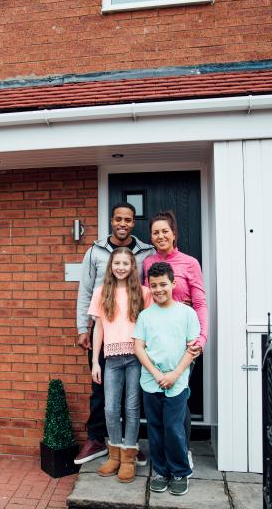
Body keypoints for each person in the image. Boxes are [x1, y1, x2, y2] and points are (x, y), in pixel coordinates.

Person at [74, 202, 155, 465]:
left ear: (133, 223)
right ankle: (99, 439)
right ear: (112, 220)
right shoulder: (95, 251)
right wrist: (82, 328)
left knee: (133, 398)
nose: (123, 223)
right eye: (118, 219)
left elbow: (152, 291)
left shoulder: (146, 252)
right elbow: (85, 291)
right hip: (104, 334)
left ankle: (129, 447)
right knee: (102, 393)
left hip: (133, 339)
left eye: (128, 220)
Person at [142, 210, 207, 467]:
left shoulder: (190, 263)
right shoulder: (148, 264)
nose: (160, 236)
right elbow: (146, 299)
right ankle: (161, 456)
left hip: (184, 340)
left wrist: (201, 338)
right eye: (155, 232)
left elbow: (200, 302)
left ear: (174, 234)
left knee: (178, 396)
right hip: (157, 339)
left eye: (165, 231)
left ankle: (183, 450)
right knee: (159, 397)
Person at [133, 262, 198, 496]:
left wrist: (173, 374)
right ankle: (160, 471)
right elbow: (139, 347)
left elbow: (192, 349)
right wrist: (158, 374)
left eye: (163, 284)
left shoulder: (187, 313)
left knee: (173, 427)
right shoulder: (145, 316)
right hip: (151, 382)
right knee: (156, 428)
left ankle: (180, 471)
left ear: (173, 283)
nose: (158, 289)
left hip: (177, 382)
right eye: (154, 285)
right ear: (148, 287)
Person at [88, 247, 152, 482]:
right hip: (111, 359)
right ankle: (114, 454)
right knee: (111, 408)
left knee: (132, 408)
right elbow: (99, 328)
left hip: (135, 357)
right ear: (111, 266)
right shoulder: (101, 292)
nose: (121, 268)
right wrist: (95, 361)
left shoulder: (144, 293)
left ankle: (128, 458)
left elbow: (150, 326)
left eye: (126, 263)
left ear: (132, 266)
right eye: (117, 263)